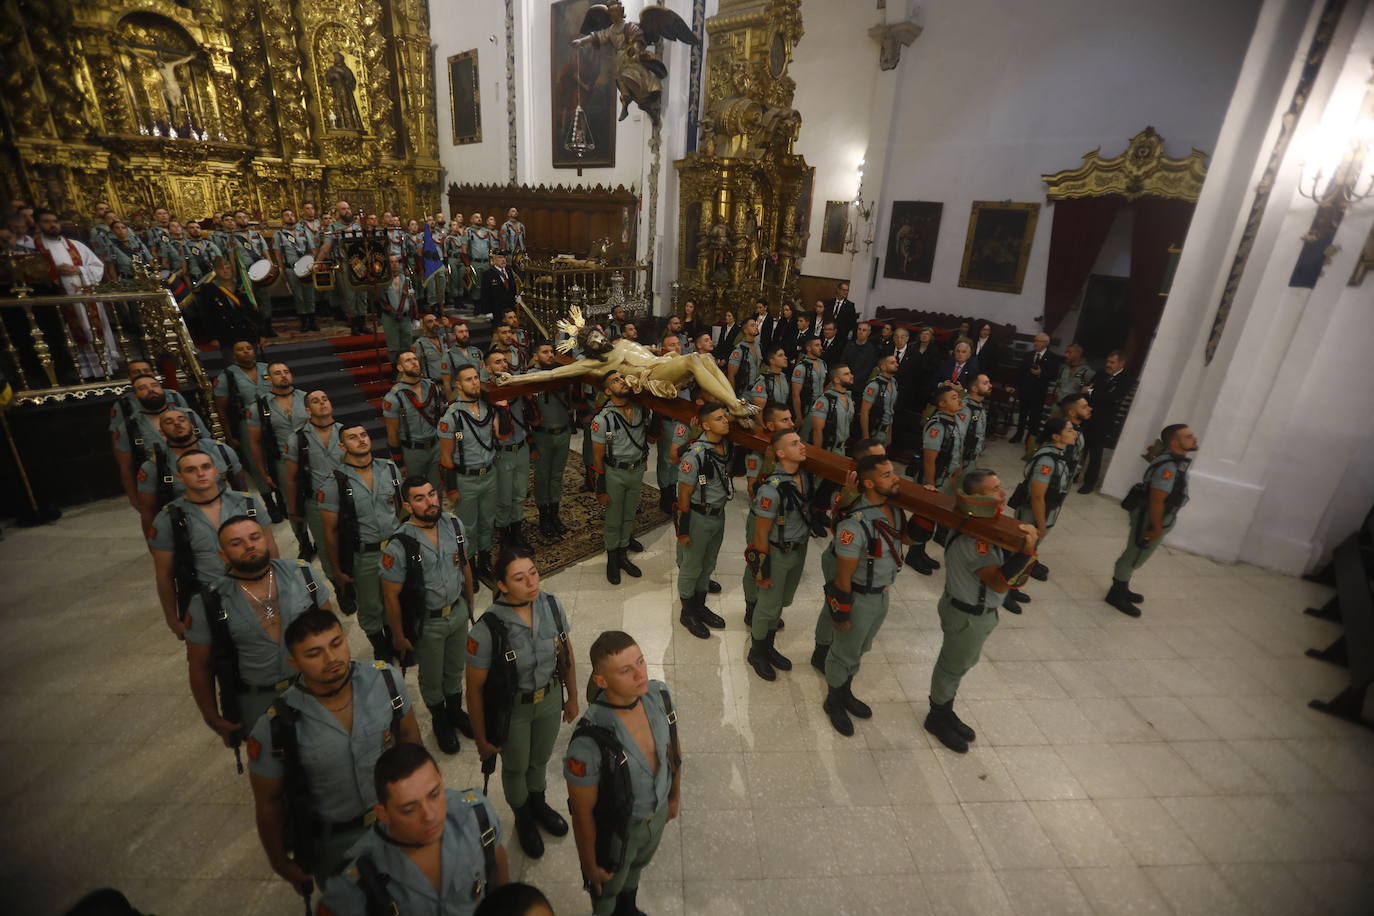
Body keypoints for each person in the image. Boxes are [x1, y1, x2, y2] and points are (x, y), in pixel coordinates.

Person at [247, 609, 421, 890]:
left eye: (336, 643)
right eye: (314, 653)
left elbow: (411, 739)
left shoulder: (385, 681)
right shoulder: (276, 727)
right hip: (334, 844)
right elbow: (269, 802)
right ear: (295, 662)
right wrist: (279, 860)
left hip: (395, 822)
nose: (331, 659)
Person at [467, 546, 578, 859]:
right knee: (515, 768)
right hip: (512, 709)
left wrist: (572, 696)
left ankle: (538, 803)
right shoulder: (488, 628)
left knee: (540, 759)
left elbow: (566, 655)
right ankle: (524, 818)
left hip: (549, 699)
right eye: (519, 578)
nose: (531, 583)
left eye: (533, 573)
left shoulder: (552, 607)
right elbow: (474, 690)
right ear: (502, 586)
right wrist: (481, 739)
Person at [185, 516, 334, 748]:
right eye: (236, 543)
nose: (249, 546)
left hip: (312, 687)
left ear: (266, 540)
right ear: (223, 554)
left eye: (255, 537)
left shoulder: (302, 575)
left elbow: (331, 629)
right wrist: (212, 718)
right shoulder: (209, 602)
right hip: (257, 700)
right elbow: (200, 666)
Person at [565, 631, 680, 916]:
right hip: (618, 829)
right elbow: (582, 812)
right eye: (626, 670)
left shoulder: (659, 696)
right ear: (602, 681)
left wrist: (674, 795)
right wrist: (589, 864)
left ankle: (628, 909)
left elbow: (674, 750)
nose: (640, 674)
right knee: (608, 892)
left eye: (640, 662)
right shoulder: (589, 741)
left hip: (655, 818)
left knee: (635, 872)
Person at [319, 744, 509, 916]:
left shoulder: (477, 815)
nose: (430, 815)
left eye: (434, 794)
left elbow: (497, 861)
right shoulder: (353, 884)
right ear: (383, 813)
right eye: (409, 809)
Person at [926, 469, 1038, 752]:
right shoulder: (973, 539)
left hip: (976, 613)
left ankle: (945, 709)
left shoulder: (983, 525)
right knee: (951, 667)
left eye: (1000, 487)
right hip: (966, 615)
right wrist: (1027, 552)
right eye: (994, 490)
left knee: (960, 664)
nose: (1002, 494)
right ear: (975, 498)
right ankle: (936, 717)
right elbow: (1000, 584)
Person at [382, 477, 476, 755]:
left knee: (455, 667)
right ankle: (441, 719)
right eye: (420, 498)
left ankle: (456, 711)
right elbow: (390, 596)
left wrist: (469, 606)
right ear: (408, 505)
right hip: (428, 622)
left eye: (432, 494)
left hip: (457, 613)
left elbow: (465, 566)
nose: (430, 501)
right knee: (432, 677)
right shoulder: (400, 544)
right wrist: (399, 635)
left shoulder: (454, 526)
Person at [820, 454, 908, 736]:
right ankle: (834, 700)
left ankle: (846, 690)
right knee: (843, 651)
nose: (895, 478)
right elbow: (842, 576)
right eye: (887, 475)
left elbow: (908, 540)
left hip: (881, 596)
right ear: (868, 483)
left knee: (860, 648)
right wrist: (841, 612)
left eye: (893, 472)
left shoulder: (893, 511)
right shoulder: (854, 524)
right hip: (858, 598)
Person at [148, 450, 276, 638]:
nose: (200, 473)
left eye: (205, 467)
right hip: (211, 600)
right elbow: (164, 574)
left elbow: (271, 549)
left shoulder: (246, 503)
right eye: (191, 470)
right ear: (180, 478)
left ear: (216, 470)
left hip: (256, 591)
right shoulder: (169, 519)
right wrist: (173, 620)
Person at [318, 424, 405, 660]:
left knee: (396, 598)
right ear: (342, 446)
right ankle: (380, 646)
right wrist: (337, 569)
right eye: (353, 437)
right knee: (371, 606)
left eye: (364, 435)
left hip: (395, 550)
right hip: (365, 554)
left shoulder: (388, 468)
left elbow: (398, 509)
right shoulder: (335, 482)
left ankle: (398, 640)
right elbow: (331, 531)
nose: (362, 440)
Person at [808, 438, 886, 674]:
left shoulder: (878, 485)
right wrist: (848, 495)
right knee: (834, 603)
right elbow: (838, 523)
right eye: (876, 459)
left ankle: (833, 648)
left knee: (847, 606)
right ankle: (821, 650)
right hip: (839, 558)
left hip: (864, 561)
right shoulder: (847, 486)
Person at [744, 429, 816, 680]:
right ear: (781, 453)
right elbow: (761, 534)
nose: (802, 446)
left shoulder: (804, 477)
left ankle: (768, 645)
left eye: (801, 441)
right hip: (777, 553)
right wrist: (761, 572)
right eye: (795, 443)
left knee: (782, 602)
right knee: (766, 607)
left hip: (799, 549)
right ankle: (757, 652)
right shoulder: (770, 490)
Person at [1107, 424, 1198, 617]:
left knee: (1139, 553)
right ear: (1175, 442)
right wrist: (1156, 527)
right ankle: (1115, 594)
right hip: (1151, 516)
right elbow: (1157, 499)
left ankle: (1122, 586)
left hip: (1161, 515)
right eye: (1188, 436)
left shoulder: (1176, 461)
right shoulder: (1168, 466)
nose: (1194, 439)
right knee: (1135, 553)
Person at [675, 403, 733, 640]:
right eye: (719, 418)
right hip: (699, 516)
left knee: (708, 563)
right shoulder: (695, 454)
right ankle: (687, 611)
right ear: (706, 425)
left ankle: (700, 605)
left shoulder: (724, 446)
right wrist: (684, 529)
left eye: (725, 417)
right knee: (692, 566)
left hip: (718, 514)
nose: (726, 420)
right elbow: (684, 494)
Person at [135, 408, 243, 534]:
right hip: (185, 527)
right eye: (169, 422)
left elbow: (241, 490)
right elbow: (148, 511)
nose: (177, 423)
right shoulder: (153, 467)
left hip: (227, 520)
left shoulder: (220, 450)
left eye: (181, 419)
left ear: (191, 425)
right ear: (161, 432)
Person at [440, 365, 500, 581]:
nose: (475, 382)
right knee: (468, 527)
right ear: (458, 384)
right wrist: (452, 487)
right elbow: (446, 457)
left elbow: (499, 435)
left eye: (476, 378)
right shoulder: (451, 417)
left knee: (487, 521)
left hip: (489, 475)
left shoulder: (487, 408)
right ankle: (470, 569)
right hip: (466, 479)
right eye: (468, 379)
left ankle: (485, 562)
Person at [111, 370, 202, 509]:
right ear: (135, 396)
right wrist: (134, 499)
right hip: (161, 488)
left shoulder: (187, 415)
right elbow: (126, 468)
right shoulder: (128, 428)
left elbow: (208, 445)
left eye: (154, 385)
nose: (150, 390)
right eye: (143, 388)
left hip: (200, 478)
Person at [1009, 416, 1076, 606]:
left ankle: (1012, 587)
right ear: (1056, 436)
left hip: (1045, 513)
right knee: (1020, 552)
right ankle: (1005, 589)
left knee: (1027, 553)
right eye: (1069, 430)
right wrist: (1041, 524)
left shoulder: (1059, 455)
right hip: (1034, 514)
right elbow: (1038, 496)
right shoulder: (1047, 460)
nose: (1074, 433)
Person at [591, 371, 649, 584]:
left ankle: (623, 552)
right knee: (614, 519)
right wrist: (601, 486)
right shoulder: (603, 419)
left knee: (629, 514)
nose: (623, 381)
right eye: (616, 380)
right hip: (615, 472)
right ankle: (612, 557)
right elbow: (598, 456)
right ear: (607, 391)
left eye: (623, 378)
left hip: (636, 470)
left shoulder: (640, 409)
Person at [285, 390, 346, 578]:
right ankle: (338, 585)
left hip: (347, 497)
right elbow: (291, 478)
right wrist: (294, 510)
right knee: (327, 547)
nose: (322, 403)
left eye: (325, 399)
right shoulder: (297, 438)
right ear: (307, 410)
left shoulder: (346, 433)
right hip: (317, 502)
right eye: (315, 401)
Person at [903, 385, 964, 575]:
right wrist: (930, 485)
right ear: (942, 404)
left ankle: (920, 551)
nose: (959, 400)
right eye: (954, 397)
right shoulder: (938, 425)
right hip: (932, 479)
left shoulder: (952, 421)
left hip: (943, 478)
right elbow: (930, 459)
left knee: (932, 517)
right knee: (924, 517)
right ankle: (914, 553)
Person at [249, 361, 309, 530]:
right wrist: (263, 473)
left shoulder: (307, 399)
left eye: (286, 371)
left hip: (311, 457)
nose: (283, 375)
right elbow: (255, 443)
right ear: (268, 379)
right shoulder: (259, 407)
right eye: (277, 373)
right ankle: (303, 541)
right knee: (291, 504)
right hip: (282, 461)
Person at [485, 350, 533, 550]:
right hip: (502, 452)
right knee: (504, 498)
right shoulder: (486, 393)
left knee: (520, 494)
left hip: (521, 447)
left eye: (505, 361)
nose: (503, 364)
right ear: (488, 369)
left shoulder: (516, 387)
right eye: (498, 362)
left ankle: (517, 533)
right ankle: (504, 537)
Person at [530, 341, 575, 537]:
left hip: (563, 433)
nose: (549, 355)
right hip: (542, 435)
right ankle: (544, 517)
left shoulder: (562, 374)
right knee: (542, 477)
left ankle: (554, 514)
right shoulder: (530, 377)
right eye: (544, 351)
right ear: (536, 355)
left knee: (556, 476)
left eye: (551, 352)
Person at [214, 338, 271, 494]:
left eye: (248, 348)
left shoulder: (268, 369)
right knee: (256, 461)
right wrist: (229, 435)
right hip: (248, 421)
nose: (246, 351)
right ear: (233, 355)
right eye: (240, 349)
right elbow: (221, 409)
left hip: (273, 418)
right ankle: (267, 498)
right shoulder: (227, 376)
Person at [382, 351, 444, 492]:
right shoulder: (394, 397)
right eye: (408, 360)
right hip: (412, 451)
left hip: (435, 447)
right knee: (413, 492)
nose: (414, 362)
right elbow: (392, 432)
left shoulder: (432, 387)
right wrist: (399, 461)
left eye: (415, 359)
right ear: (400, 368)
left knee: (436, 490)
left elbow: (441, 417)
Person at [1079, 350, 1134, 493]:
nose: (1108, 365)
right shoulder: (1101, 374)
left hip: (1103, 421)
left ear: (1121, 363)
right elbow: (1086, 389)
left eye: (1112, 362)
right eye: (1107, 361)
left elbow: (1114, 398)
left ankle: (1089, 482)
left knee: (1095, 453)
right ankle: (1074, 474)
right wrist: (1092, 393)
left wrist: (1092, 393)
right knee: (1080, 448)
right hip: (1087, 415)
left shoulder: (1126, 379)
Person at [315, 201, 369, 335]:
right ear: (338, 212)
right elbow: (326, 247)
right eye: (343, 209)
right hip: (344, 263)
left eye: (349, 208)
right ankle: (354, 324)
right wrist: (317, 262)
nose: (347, 211)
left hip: (359, 263)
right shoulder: (332, 228)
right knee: (349, 295)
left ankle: (362, 322)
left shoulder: (358, 226)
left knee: (362, 293)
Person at [197, 261, 263, 362]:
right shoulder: (209, 289)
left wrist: (261, 333)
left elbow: (254, 309)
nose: (225, 271)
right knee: (234, 367)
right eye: (221, 269)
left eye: (228, 268)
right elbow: (207, 314)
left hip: (247, 331)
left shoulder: (243, 285)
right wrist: (213, 337)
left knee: (254, 363)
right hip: (226, 334)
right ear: (215, 271)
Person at [273, 208, 318, 331]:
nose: (290, 217)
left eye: (292, 214)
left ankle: (312, 320)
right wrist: (281, 271)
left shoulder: (304, 231)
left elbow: (312, 249)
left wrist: (313, 263)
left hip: (306, 268)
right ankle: (304, 321)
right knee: (298, 296)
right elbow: (278, 254)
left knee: (310, 294)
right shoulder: (279, 235)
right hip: (291, 269)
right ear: (282, 219)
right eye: (287, 215)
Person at [1009, 333, 1058, 444]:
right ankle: (1018, 434)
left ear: (1046, 343)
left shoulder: (1052, 357)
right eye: (1035, 340)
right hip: (1025, 390)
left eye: (1038, 341)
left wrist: (1041, 373)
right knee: (1022, 415)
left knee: (1035, 417)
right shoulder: (1028, 355)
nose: (1035, 343)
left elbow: (1054, 375)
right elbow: (1020, 373)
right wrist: (1014, 386)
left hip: (1039, 392)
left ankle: (1030, 439)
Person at [809, 363, 855, 455]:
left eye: (850, 373)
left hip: (842, 449)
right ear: (837, 379)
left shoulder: (848, 398)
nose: (851, 376)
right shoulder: (825, 400)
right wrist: (818, 455)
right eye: (846, 374)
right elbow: (817, 430)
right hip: (828, 449)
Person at [379, 259, 418, 366]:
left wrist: (416, 316)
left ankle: (407, 368)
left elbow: (412, 297)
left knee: (407, 344)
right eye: (391, 262)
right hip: (390, 317)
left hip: (405, 317)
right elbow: (377, 297)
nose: (395, 264)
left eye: (397, 262)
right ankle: (396, 370)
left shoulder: (406, 280)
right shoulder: (382, 280)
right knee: (393, 347)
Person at [858, 353, 898, 443]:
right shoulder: (874, 386)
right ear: (883, 367)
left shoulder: (894, 383)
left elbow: (890, 410)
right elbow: (864, 412)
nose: (896, 364)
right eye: (892, 363)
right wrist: (866, 437)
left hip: (886, 431)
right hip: (875, 430)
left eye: (896, 362)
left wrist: (889, 434)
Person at [789, 334, 826, 425]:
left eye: (820, 345)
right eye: (817, 345)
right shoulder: (801, 367)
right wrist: (798, 416)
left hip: (819, 408)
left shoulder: (823, 364)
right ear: (809, 348)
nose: (820, 348)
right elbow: (795, 394)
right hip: (805, 408)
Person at [444, 319, 485, 396]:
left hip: (478, 392)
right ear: (454, 335)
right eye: (461, 332)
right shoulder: (448, 356)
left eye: (466, 331)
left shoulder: (477, 352)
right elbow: (446, 383)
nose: (465, 334)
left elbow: (483, 376)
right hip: (460, 395)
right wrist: (450, 401)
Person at [749, 343, 791, 410]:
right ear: (772, 361)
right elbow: (758, 411)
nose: (785, 358)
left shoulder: (785, 378)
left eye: (784, 355)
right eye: (780, 355)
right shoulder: (763, 381)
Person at [482, 250, 518, 324]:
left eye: (504, 257)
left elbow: (512, 288)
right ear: (493, 260)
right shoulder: (488, 274)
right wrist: (487, 312)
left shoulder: (509, 271)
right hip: (496, 309)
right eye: (500, 257)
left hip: (509, 308)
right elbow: (485, 294)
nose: (503, 260)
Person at [840, 321, 879, 386]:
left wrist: (852, 379)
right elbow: (843, 361)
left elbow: (867, 370)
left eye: (864, 330)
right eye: (859, 329)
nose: (861, 332)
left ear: (869, 333)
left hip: (858, 383)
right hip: (844, 379)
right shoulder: (849, 344)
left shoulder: (871, 349)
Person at [413, 312, 448, 385]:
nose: (435, 323)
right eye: (430, 321)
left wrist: (448, 326)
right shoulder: (419, 344)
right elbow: (415, 367)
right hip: (432, 384)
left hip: (449, 381)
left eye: (435, 320)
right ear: (424, 326)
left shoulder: (444, 338)